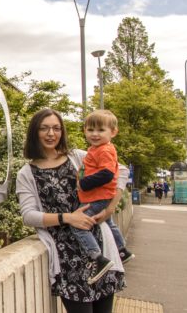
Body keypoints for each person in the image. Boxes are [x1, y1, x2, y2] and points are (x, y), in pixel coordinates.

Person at [17, 109, 127, 313]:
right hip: (67, 258)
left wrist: (110, 209)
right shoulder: (26, 173)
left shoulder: (78, 157)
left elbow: (120, 172)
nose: (51, 133)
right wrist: (68, 218)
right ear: (35, 132)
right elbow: (29, 216)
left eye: (56, 128)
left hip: (99, 248)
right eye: (44, 128)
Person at [73, 110, 134, 283]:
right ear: (84, 130)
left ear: (113, 132)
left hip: (98, 197)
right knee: (108, 221)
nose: (95, 134)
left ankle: (97, 259)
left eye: (101, 130)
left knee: (78, 225)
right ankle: (122, 251)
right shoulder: (96, 149)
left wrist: (83, 184)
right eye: (90, 130)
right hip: (99, 197)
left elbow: (107, 174)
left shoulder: (104, 150)